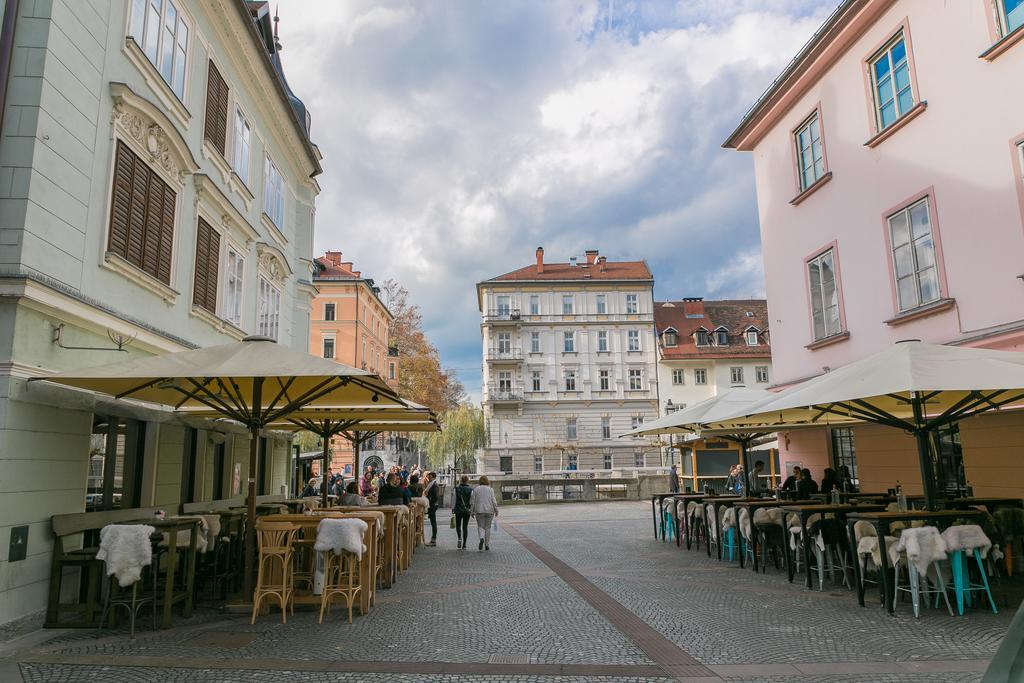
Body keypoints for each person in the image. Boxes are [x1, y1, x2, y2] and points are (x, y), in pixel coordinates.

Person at [469, 475, 499, 551]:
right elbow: (494, 501)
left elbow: (472, 502)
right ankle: (487, 545)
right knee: (488, 527)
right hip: (489, 511)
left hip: (479, 511)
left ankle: (481, 538)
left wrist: (472, 511)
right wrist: (496, 510)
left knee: (480, 526)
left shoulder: (476, 489)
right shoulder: (490, 489)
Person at [452, 475, 472, 549]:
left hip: (458, 509)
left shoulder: (456, 489)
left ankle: (459, 538)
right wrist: (470, 508)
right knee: (465, 526)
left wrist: (453, 508)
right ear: (467, 480)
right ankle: (464, 544)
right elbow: (471, 500)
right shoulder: (470, 489)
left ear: (460, 480)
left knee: (458, 525)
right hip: (466, 510)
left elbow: (454, 499)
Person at [424, 471, 440, 546]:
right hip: (431, 504)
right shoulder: (431, 484)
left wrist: (429, 499)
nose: (428, 478)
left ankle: (433, 540)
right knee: (433, 522)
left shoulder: (434, 485)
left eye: (430, 477)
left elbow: (436, 496)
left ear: (433, 477)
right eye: (428, 477)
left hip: (432, 505)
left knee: (433, 522)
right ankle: (433, 539)